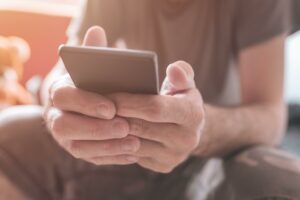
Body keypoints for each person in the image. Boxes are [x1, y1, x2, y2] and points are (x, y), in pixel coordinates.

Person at [0, 0, 300, 199]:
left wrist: (200, 130)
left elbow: (271, 116)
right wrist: (57, 103)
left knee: (286, 182)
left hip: (218, 157)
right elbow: (62, 70)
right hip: (122, 145)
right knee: (6, 132)